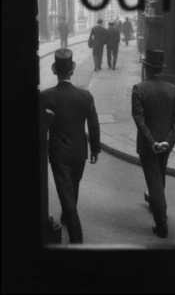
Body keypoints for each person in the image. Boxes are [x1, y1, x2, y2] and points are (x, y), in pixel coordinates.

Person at [42, 49, 100, 244]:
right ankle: (67, 216)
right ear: (72, 71)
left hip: (59, 153)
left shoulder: (46, 96)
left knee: (66, 194)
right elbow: (93, 124)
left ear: (54, 72)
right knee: (72, 187)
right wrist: (95, 149)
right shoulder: (85, 95)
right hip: (79, 153)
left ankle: (77, 239)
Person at [132, 50, 175, 238]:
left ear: (145, 68)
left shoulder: (139, 89)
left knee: (154, 181)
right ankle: (154, 199)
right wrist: (167, 142)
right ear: (160, 69)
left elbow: (139, 119)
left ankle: (161, 224)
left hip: (148, 146)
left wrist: (152, 142)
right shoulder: (174, 90)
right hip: (165, 145)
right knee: (159, 175)